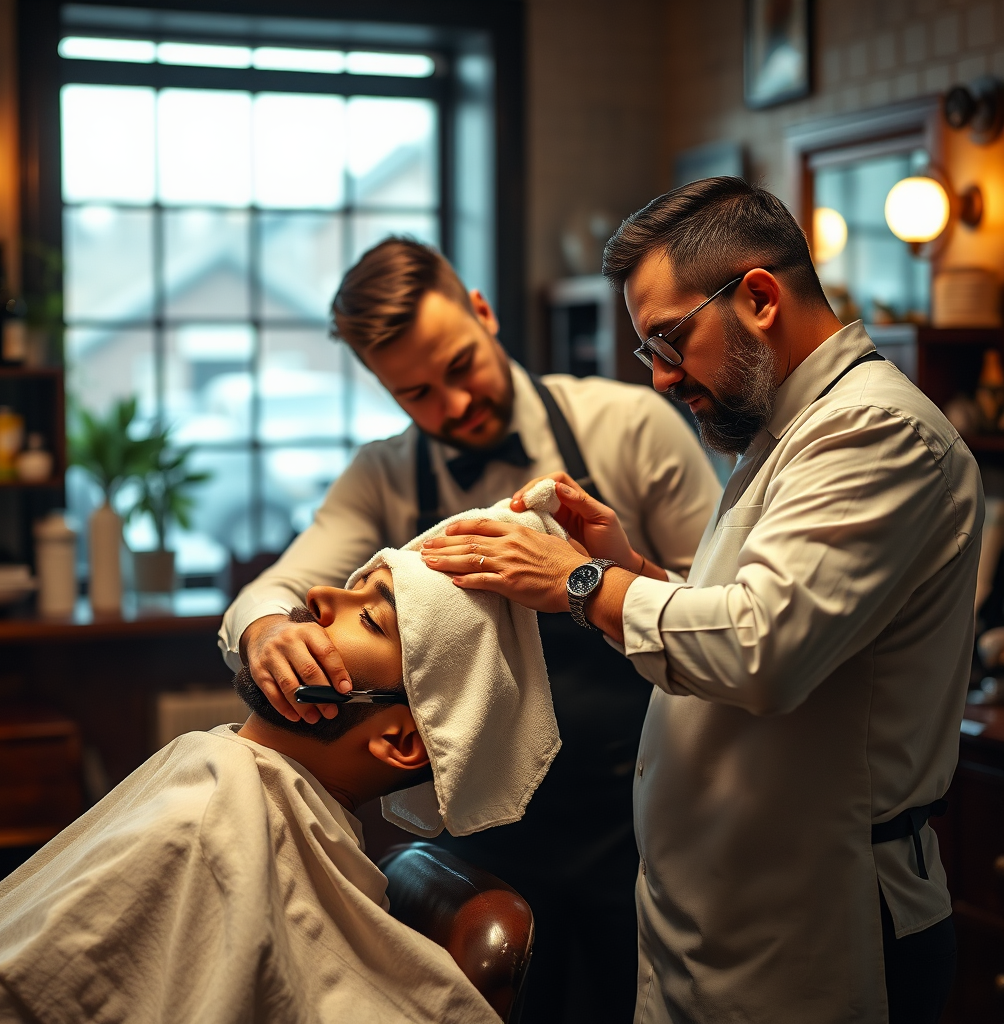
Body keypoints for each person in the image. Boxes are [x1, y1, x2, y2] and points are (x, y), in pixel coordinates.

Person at [420, 178, 982, 1024]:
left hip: (821, 923)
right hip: (731, 913)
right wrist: (632, 571)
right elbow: (742, 613)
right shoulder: (783, 433)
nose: (661, 378)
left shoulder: (875, 433)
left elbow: (765, 648)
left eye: (667, 340)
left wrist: (578, 583)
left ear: (758, 296)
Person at [219, 238, 720, 1021]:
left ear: (482, 312)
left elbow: (715, 612)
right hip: (485, 836)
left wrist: (597, 578)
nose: (450, 406)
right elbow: (270, 590)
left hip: (641, 813)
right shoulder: (384, 476)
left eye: (459, 366)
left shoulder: (628, 428)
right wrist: (264, 634)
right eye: (415, 392)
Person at [0, 498, 563, 1024]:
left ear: (402, 741)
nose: (318, 597)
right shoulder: (218, 783)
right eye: (351, 584)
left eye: (369, 618)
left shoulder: (212, 816)